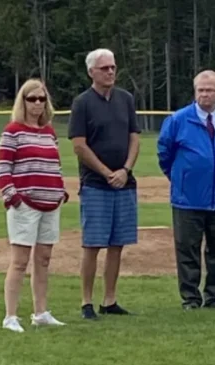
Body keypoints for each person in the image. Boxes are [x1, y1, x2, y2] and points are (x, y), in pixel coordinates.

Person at [157, 70, 215, 311]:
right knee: (187, 250)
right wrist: (180, 177)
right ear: (195, 92)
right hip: (187, 198)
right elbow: (164, 154)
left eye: (209, 90)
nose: (204, 95)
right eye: (200, 90)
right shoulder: (178, 120)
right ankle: (191, 299)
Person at [68, 48, 141, 320]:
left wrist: (125, 170)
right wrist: (106, 172)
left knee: (117, 243)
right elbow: (78, 145)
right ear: (91, 72)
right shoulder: (82, 103)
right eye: (104, 68)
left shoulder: (126, 99)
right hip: (96, 185)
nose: (110, 72)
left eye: (112, 67)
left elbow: (135, 136)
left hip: (125, 183)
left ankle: (109, 300)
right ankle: (86, 301)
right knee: (93, 244)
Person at [0, 78, 69, 332]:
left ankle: (41, 312)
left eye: (41, 99)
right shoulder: (12, 131)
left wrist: (61, 189)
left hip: (51, 202)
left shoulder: (49, 132)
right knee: (19, 261)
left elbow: (55, 165)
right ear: (23, 101)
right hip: (25, 204)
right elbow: (2, 169)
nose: (37, 104)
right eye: (32, 99)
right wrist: (13, 196)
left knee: (44, 259)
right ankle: (10, 316)